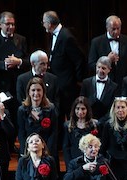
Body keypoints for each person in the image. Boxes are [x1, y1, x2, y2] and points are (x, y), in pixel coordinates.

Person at [42, 10, 85, 138]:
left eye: (44, 22)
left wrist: (78, 80)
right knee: (58, 113)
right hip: (58, 83)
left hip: (68, 85)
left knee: (69, 113)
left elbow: (80, 59)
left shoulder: (66, 36)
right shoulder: (56, 35)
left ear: (49, 24)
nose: (43, 24)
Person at [0, 11, 29, 128]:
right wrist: (5, 64)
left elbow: (28, 60)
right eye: (8, 24)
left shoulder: (21, 39)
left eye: (13, 24)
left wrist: (18, 62)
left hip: (18, 84)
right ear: (0, 24)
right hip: (1, 84)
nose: (11, 27)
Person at [62, 97, 100, 180]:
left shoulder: (94, 125)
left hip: (89, 162)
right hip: (75, 163)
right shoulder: (68, 125)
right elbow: (66, 147)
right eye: (77, 109)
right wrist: (71, 165)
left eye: (83, 109)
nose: (80, 112)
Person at [88, 15, 127, 91]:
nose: (116, 31)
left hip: (123, 84)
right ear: (107, 28)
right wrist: (107, 60)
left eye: (118, 28)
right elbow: (91, 64)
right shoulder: (96, 42)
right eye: (113, 29)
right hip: (104, 84)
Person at [16, 76, 58, 162]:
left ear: (43, 92)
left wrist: (46, 151)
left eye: (39, 90)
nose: (36, 93)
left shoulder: (51, 109)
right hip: (29, 151)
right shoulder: (22, 110)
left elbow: (54, 132)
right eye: (33, 90)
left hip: (47, 151)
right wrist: (26, 151)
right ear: (28, 92)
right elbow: (21, 133)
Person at [80, 55, 118, 123]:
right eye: (98, 67)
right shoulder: (86, 83)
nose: (100, 70)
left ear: (109, 69)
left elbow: (112, 108)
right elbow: (82, 103)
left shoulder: (114, 87)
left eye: (103, 68)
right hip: (87, 121)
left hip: (105, 123)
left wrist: (100, 122)